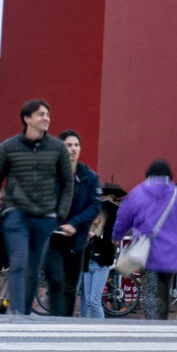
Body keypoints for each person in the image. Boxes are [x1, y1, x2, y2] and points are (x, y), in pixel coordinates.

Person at [0, 99, 75, 315]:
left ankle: (24, 313)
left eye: (47, 114)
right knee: (18, 262)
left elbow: (67, 183)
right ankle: (17, 313)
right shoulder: (9, 147)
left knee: (34, 271)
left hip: (45, 217)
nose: (46, 118)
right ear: (27, 119)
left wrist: (60, 213)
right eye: (41, 114)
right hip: (16, 213)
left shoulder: (57, 149)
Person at [112, 159, 177, 320]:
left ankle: (151, 322)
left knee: (149, 290)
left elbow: (123, 217)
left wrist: (117, 236)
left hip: (146, 252)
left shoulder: (137, 193)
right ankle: (161, 321)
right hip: (171, 253)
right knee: (164, 292)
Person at [54, 130, 102, 318]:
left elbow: (95, 205)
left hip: (77, 240)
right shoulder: (53, 173)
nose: (73, 149)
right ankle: (54, 322)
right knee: (55, 281)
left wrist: (75, 223)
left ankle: (63, 325)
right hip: (54, 238)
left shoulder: (89, 177)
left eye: (76, 145)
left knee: (70, 287)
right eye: (69, 145)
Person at [80, 183, 124, 318]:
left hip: (100, 262)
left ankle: (99, 327)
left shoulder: (111, 214)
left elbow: (109, 242)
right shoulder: (98, 217)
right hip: (90, 261)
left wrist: (94, 237)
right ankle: (88, 330)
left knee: (93, 300)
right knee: (88, 301)